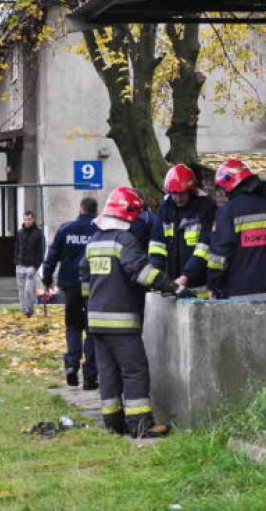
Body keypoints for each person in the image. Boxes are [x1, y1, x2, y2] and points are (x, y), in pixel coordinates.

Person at [78, 187, 174, 439]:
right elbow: (142, 273)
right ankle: (141, 424)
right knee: (134, 370)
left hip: (96, 322)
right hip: (121, 321)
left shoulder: (94, 241)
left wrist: (92, 307)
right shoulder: (124, 240)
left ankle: (112, 423)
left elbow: (84, 278)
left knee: (108, 373)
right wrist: (171, 285)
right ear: (128, 213)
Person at [42, 197, 99, 389]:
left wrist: (47, 280)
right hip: (93, 286)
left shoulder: (66, 229)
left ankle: (71, 365)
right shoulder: (99, 231)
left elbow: (51, 257)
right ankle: (90, 375)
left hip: (71, 285)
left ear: (80, 209)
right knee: (92, 330)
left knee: (73, 327)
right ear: (95, 211)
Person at [207, 159, 266, 300]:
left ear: (228, 185)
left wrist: (213, 285)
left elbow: (218, 258)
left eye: (222, 190)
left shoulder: (228, 211)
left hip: (238, 295)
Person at [149, 164, 217, 297]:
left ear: (191, 191)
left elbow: (205, 247)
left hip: (199, 285)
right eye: (174, 194)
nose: (178, 198)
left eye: (182, 194)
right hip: (173, 283)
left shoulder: (206, 208)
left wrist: (186, 276)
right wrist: (157, 277)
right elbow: (157, 246)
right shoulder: (165, 209)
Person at [14, 211, 46, 318]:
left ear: (33, 220)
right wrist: (17, 262)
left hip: (31, 266)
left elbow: (41, 251)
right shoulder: (20, 233)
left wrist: (36, 266)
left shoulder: (38, 233)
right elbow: (17, 248)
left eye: (29, 219)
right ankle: (24, 310)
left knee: (28, 289)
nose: (27, 221)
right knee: (21, 290)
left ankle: (30, 309)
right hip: (20, 265)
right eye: (25, 219)